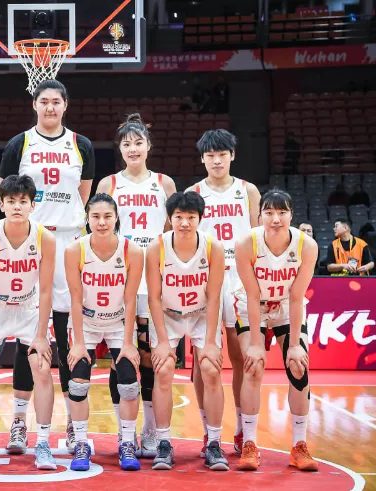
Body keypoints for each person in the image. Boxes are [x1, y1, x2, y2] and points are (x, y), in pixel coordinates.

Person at [0, 79, 95, 452]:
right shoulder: (19, 144)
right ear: (34, 105)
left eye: (56, 101)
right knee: (29, 334)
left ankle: (72, 422)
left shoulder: (81, 145)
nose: (50, 107)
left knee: (68, 334)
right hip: (32, 242)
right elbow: (7, 196)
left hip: (69, 242)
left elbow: (83, 196)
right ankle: (18, 421)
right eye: (44, 101)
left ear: (65, 105)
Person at [96, 113, 176, 455]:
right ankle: (123, 432)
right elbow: (98, 232)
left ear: (149, 146)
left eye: (138, 142)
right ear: (120, 149)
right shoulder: (108, 184)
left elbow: (174, 232)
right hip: (120, 275)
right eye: (127, 143)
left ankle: (151, 429)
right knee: (122, 355)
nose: (132, 148)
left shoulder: (164, 183)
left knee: (150, 356)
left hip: (155, 277)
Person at [0, 175, 57, 470]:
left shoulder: (45, 238)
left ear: (33, 205)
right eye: (11, 201)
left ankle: (42, 443)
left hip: (29, 307)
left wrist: (41, 334)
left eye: (23, 201)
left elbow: (46, 290)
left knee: (41, 366)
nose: (17, 206)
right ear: (1, 204)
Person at [233, 188, 319, 472]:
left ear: (291, 215)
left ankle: (299, 445)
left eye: (282, 212)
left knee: (298, 367)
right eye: (269, 212)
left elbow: (296, 296)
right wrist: (255, 344)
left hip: (285, 305)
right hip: (252, 304)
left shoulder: (307, 246)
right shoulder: (246, 243)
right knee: (253, 365)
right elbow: (252, 294)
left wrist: (294, 346)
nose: (275, 219)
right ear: (260, 216)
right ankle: (249, 443)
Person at [188, 129, 260, 456]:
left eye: (222, 154)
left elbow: (258, 239)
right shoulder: (193, 193)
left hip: (241, 278)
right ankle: (209, 432)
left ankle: (244, 430)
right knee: (203, 360)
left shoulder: (248, 191)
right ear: (202, 158)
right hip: (205, 278)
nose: (216, 160)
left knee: (241, 356)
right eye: (210, 155)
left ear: (232, 155)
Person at [146, 192, 227, 471]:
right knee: (164, 369)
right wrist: (162, 342)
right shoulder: (156, 248)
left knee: (211, 369)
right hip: (168, 315)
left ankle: (214, 443)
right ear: (170, 218)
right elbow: (153, 297)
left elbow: (214, 297)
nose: (184, 222)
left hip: (201, 314)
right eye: (178, 216)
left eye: (191, 217)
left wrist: (211, 342)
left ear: (200, 219)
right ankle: (163, 442)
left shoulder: (213, 247)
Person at [65, 194, 143, 471]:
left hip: (118, 322)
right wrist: (77, 342)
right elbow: (75, 298)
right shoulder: (75, 250)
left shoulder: (132, 251)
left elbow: (131, 299)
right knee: (78, 383)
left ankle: (127, 441)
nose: (101, 222)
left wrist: (128, 343)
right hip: (86, 323)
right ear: (87, 219)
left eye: (107, 216)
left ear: (116, 218)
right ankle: (81, 442)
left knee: (129, 383)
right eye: (95, 216)